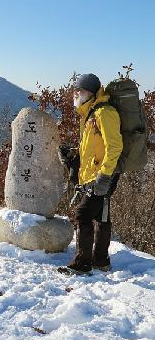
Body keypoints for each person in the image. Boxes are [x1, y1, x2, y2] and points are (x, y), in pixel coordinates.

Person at [59, 73, 123, 273]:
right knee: (102, 216)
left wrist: (104, 176)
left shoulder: (105, 113)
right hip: (95, 175)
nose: (77, 94)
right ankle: (101, 261)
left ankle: (82, 263)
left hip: (104, 175)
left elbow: (115, 147)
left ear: (93, 93)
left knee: (82, 215)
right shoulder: (90, 114)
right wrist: (73, 155)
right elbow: (93, 147)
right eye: (76, 90)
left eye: (82, 91)